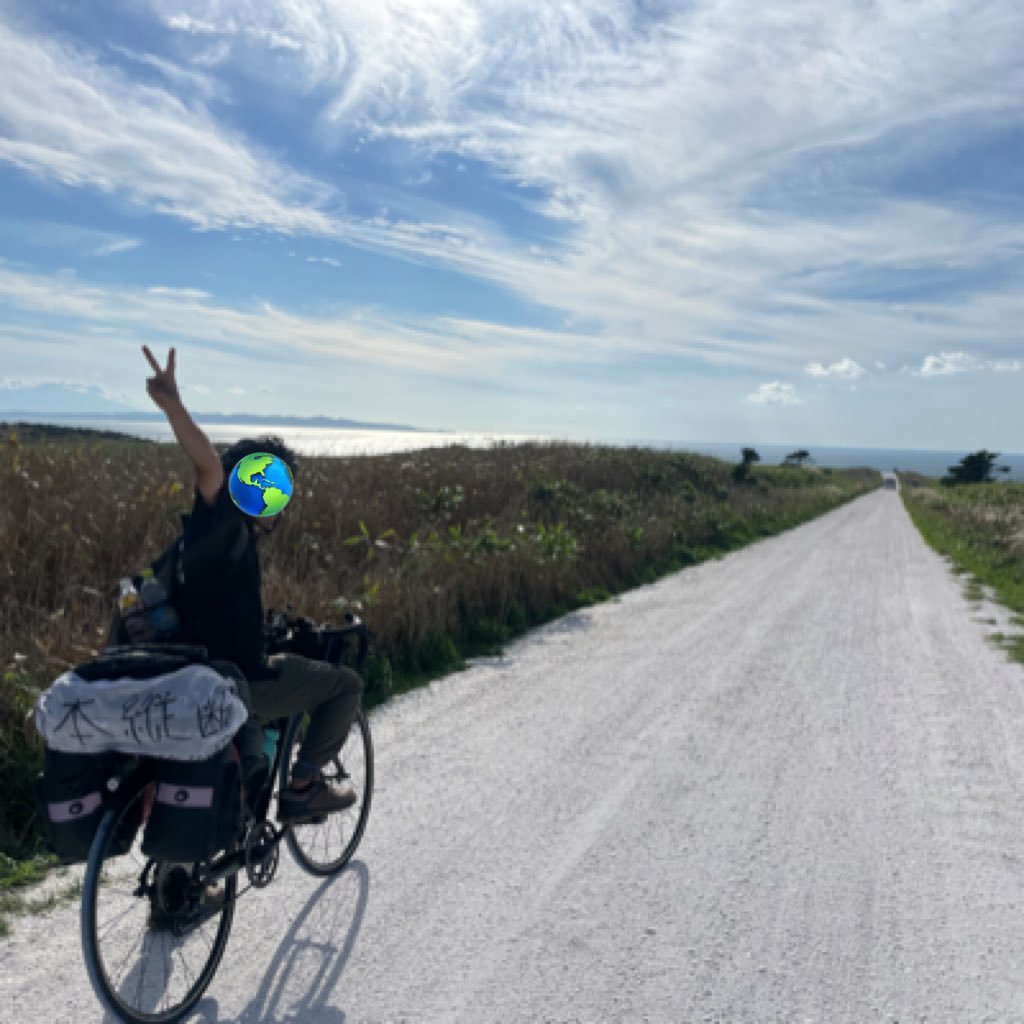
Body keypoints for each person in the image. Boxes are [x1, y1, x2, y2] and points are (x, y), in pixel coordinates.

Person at [141, 344, 364, 822]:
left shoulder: (203, 541)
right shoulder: (221, 523)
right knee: (345, 685)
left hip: (192, 673)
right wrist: (173, 406)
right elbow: (206, 465)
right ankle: (303, 786)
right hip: (235, 681)